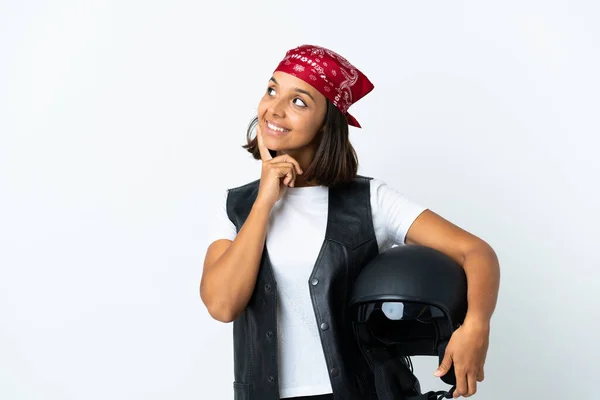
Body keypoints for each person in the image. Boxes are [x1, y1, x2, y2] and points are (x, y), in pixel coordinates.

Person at [200, 44, 500, 400]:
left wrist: (476, 325)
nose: (274, 110)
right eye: (272, 90)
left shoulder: (370, 201)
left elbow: (475, 252)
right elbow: (222, 305)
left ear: (328, 121)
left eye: (299, 101)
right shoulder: (237, 206)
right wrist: (265, 202)